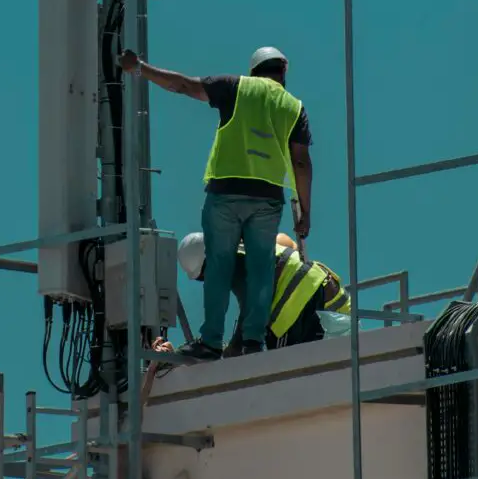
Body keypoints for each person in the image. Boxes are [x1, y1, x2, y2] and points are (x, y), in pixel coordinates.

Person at [118, 45, 313, 360]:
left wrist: (140, 67)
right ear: (283, 71)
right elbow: (301, 162)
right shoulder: (294, 107)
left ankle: (210, 342)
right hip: (267, 199)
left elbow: (182, 85)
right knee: (260, 270)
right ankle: (254, 342)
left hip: (226, 194)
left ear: (254, 71)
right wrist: (305, 209)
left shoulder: (237, 87)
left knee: (220, 266)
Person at [175, 229, 350, 356]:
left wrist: (233, 349)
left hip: (297, 304)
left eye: (203, 276)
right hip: (316, 284)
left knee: (284, 369)